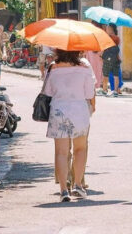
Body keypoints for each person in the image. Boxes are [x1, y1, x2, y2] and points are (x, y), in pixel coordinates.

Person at [43, 49, 95, 202]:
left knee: (61, 152)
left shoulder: (53, 67)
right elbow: (89, 94)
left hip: (59, 111)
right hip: (79, 111)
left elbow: (47, 91)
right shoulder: (84, 67)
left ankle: (64, 190)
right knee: (80, 149)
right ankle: (78, 185)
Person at [84, 26, 107, 96]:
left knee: (92, 72)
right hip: (98, 58)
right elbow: (103, 49)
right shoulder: (101, 39)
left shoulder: (89, 39)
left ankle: (93, 89)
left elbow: (85, 50)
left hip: (91, 58)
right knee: (98, 72)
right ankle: (98, 88)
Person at [101, 24, 122, 96]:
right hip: (116, 59)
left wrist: (101, 56)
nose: (106, 30)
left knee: (105, 75)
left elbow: (104, 47)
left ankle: (104, 90)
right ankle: (116, 91)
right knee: (116, 75)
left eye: (107, 29)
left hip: (107, 59)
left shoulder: (107, 38)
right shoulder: (117, 38)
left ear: (110, 29)